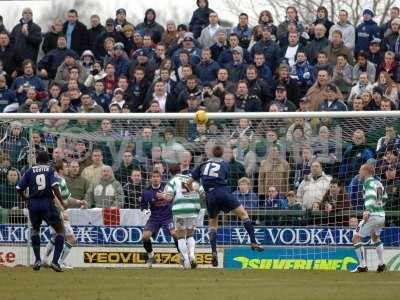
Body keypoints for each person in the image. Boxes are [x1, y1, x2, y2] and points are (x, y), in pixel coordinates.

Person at [188, 144, 264, 267]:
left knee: (213, 224)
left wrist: (195, 190)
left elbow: (188, 182)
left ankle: (213, 252)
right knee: (244, 214)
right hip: (223, 192)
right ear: (222, 154)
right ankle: (254, 241)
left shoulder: (202, 165)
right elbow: (226, 178)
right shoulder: (225, 165)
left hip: (210, 195)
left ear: (211, 154)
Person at [16, 150, 66, 272]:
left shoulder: (29, 171)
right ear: (47, 160)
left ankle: (37, 260)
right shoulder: (50, 170)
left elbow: (18, 188)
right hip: (47, 203)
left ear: (37, 160)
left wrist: (26, 200)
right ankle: (55, 262)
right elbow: (54, 186)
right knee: (60, 231)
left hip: (33, 204)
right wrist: (62, 201)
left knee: (35, 230)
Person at [43, 161, 87, 269]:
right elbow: (54, 197)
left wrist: (78, 201)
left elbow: (66, 198)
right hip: (57, 212)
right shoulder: (60, 180)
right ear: (61, 170)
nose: (68, 168)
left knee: (55, 235)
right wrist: (62, 210)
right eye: (66, 166)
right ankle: (60, 262)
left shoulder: (52, 179)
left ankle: (44, 259)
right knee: (71, 239)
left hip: (47, 212)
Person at [164, 164, 204, 269]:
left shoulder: (172, 181)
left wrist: (163, 195)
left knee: (181, 236)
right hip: (193, 210)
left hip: (179, 210)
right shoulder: (190, 179)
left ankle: (186, 260)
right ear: (180, 170)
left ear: (170, 173)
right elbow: (202, 192)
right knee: (190, 234)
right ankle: (192, 255)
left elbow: (169, 197)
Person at [352, 164, 387, 273]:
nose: (359, 173)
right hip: (381, 215)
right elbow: (385, 198)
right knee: (375, 237)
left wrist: (368, 210)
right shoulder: (378, 182)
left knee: (356, 238)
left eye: (360, 170)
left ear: (366, 171)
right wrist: (378, 206)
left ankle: (362, 266)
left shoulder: (368, 182)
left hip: (372, 215)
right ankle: (381, 264)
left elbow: (371, 196)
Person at [141, 170, 179, 268]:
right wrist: (145, 211)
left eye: (157, 177)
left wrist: (165, 196)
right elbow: (143, 206)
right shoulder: (146, 191)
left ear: (160, 178)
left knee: (175, 234)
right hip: (154, 217)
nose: (155, 178)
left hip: (167, 217)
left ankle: (183, 256)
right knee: (145, 237)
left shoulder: (167, 188)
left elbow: (173, 197)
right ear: (151, 178)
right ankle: (151, 255)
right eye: (153, 177)